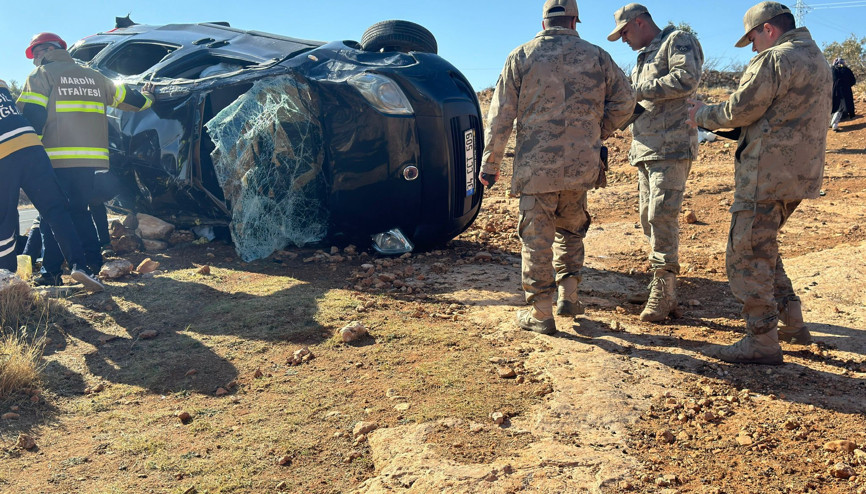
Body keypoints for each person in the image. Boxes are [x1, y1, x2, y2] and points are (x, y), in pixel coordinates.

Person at [687, 1, 832, 364]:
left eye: (752, 38)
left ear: (768, 29)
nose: (752, 47)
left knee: (746, 253)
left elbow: (740, 110)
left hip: (766, 174)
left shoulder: (775, 59)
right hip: (800, 173)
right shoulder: (818, 59)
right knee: (763, 245)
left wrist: (700, 115)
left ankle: (762, 341)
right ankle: (793, 323)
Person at [481, 0, 635, 334]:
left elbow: (501, 116)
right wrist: (597, 130)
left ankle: (540, 314)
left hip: (538, 167)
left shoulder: (521, 56)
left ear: (543, 23)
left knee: (537, 238)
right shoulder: (597, 56)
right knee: (571, 229)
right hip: (582, 164)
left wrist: (490, 164)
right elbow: (626, 101)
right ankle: (570, 296)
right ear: (575, 21)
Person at [17, 32, 154, 285]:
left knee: (52, 213)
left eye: (36, 53)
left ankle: (51, 273)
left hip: (54, 158)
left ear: (48, 50)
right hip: (90, 160)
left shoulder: (42, 75)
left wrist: (26, 155)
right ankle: (93, 262)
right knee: (79, 210)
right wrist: (149, 96)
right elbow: (132, 100)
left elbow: (33, 118)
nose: (35, 60)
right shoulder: (95, 77)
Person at [607, 3, 704, 323]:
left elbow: (686, 78)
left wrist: (636, 90)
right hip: (646, 149)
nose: (622, 39)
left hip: (672, 146)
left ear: (638, 23)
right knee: (648, 219)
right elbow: (640, 104)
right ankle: (661, 286)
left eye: (624, 32)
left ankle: (664, 292)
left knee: (661, 216)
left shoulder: (677, 41)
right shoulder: (643, 56)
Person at [0, 78, 104, 292]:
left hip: (3, 153)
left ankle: (7, 280)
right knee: (56, 210)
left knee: (5, 218)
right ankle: (80, 266)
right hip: (31, 145)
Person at [829, 57, 856, 131]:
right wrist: (846, 85)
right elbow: (853, 81)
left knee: (834, 106)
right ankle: (834, 124)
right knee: (841, 108)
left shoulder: (832, 69)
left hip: (833, 91)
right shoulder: (847, 70)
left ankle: (830, 123)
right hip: (845, 92)